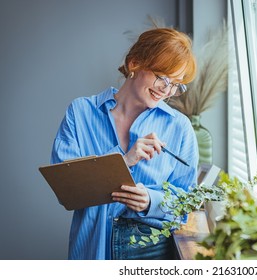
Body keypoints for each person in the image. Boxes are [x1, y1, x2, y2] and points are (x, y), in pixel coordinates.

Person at [50, 27, 198, 260]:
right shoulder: (80, 113)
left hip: (149, 256)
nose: (166, 90)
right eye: (162, 77)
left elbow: (186, 203)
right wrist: (124, 160)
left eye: (176, 84)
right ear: (134, 64)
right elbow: (67, 192)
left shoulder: (179, 127)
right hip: (90, 252)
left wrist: (152, 200)